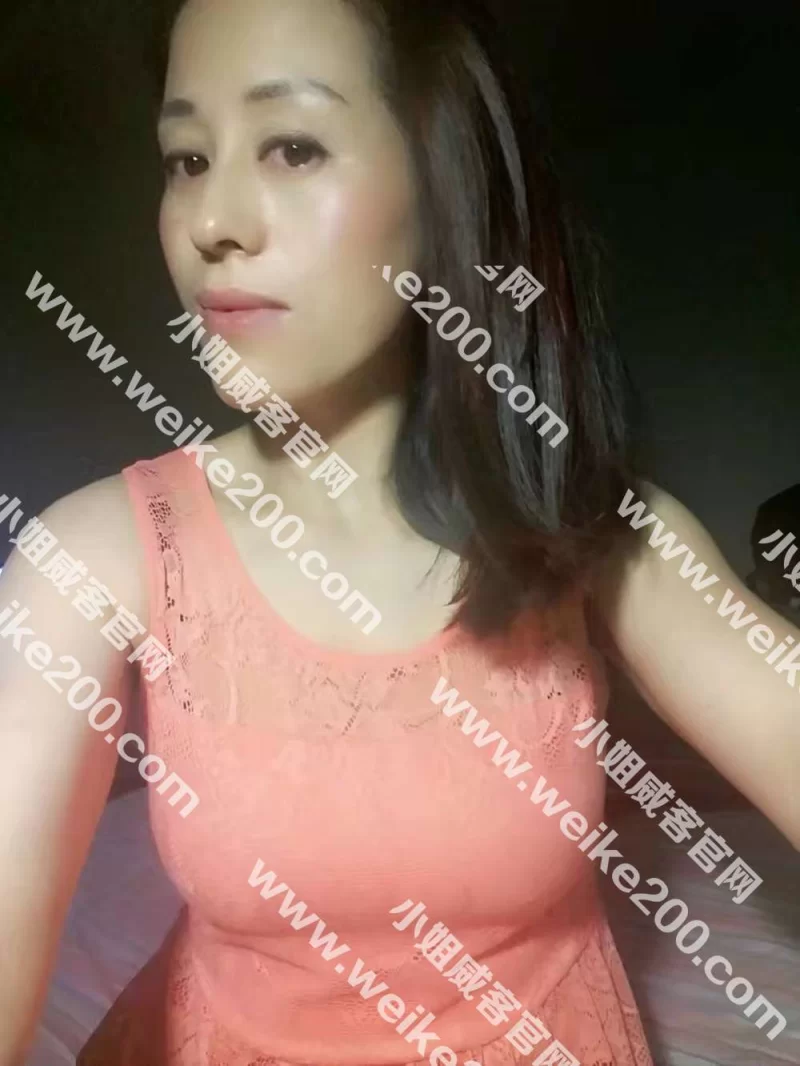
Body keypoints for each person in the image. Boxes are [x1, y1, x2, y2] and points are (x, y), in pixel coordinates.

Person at [1, 0, 798, 1063]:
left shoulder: (595, 531)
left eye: (292, 146)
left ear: (442, 187)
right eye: (187, 158)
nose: (209, 222)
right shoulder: (94, 555)